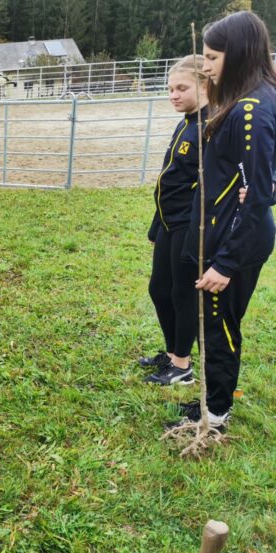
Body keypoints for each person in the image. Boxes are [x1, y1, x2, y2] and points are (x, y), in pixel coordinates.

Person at [169, 11, 276, 430]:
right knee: (215, 324)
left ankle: (215, 415)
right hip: (224, 229)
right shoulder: (254, 96)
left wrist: (226, 261)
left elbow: (257, 197)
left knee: (220, 328)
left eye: (213, 57)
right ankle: (213, 402)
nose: (207, 65)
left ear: (240, 55)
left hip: (232, 237)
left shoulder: (251, 108)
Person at [139, 57, 207, 386]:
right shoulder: (185, 123)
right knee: (158, 289)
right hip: (169, 222)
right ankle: (171, 353)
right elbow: (171, 179)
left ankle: (182, 366)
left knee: (182, 293)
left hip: (189, 226)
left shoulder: (211, 128)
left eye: (182, 88)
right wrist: (156, 224)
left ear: (205, 86)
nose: (173, 95)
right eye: (170, 88)